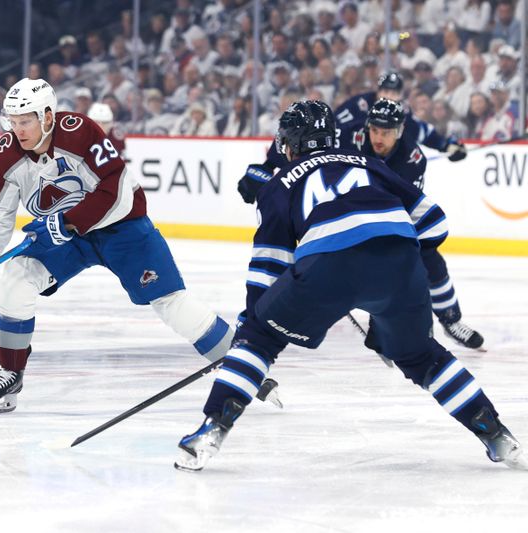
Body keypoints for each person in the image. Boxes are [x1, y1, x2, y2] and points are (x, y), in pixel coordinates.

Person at [174, 100, 526, 472]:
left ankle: (211, 429)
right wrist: (387, 274)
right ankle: (496, 434)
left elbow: (269, 265)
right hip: (401, 264)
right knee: (423, 356)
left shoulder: (278, 185)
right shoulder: (371, 164)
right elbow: (435, 223)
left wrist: (254, 323)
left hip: (328, 266)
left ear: (289, 144)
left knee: (259, 339)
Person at [0, 78, 234, 414]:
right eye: (12, 121)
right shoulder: (4, 154)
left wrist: (66, 221)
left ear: (48, 117)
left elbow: (116, 189)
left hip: (121, 228)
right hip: (66, 238)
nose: (18, 129)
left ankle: (240, 361)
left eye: (25, 120)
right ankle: (11, 371)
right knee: (18, 275)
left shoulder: (80, 131)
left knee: (169, 300)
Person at [339, 99, 484, 349]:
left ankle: (451, 320)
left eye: (385, 132)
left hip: (389, 218)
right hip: (347, 214)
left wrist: (448, 144)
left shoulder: (412, 159)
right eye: (374, 130)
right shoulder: (351, 135)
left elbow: (398, 210)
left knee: (429, 260)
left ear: (400, 131)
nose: (378, 138)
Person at [333, 71, 467, 162]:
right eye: (385, 91)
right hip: (347, 161)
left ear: (401, 95)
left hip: (375, 166)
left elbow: (420, 131)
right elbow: (334, 127)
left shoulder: (400, 112)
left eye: (394, 93)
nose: (389, 96)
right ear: (378, 91)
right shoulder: (360, 104)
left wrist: (445, 145)